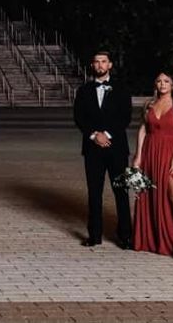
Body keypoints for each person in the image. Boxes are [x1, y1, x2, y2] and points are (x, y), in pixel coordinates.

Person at [130, 73, 173, 260]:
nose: (162, 84)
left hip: (170, 154)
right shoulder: (148, 105)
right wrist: (138, 155)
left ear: (172, 84)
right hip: (150, 154)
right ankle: (153, 238)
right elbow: (143, 129)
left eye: (166, 81)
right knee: (151, 196)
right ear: (155, 84)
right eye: (159, 81)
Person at [72, 49, 132, 248]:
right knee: (94, 193)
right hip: (92, 149)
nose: (100, 65)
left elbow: (125, 116)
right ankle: (94, 235)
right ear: (92, 65)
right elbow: (79, 117)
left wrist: (106, 134)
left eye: (103, 61)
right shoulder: (84, 90)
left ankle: (125, 236)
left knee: (121, 192)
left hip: (117, 148)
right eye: (96, 62)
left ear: (110, 65)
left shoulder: (122, 88)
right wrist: (93, 135)